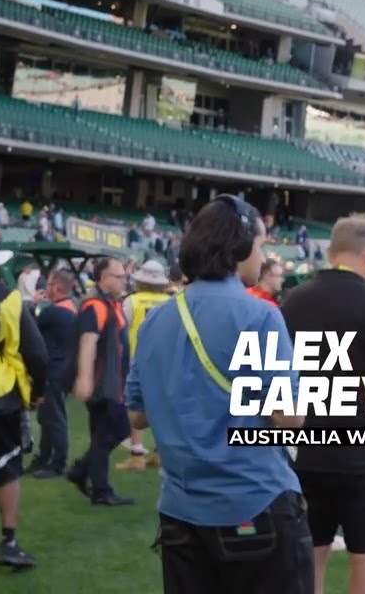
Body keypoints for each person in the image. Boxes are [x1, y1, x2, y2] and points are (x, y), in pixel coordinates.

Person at [125, 194, 312, 594]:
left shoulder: (156, 319)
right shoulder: (260, 315)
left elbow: (137, 416)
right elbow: (290, 419)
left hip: (181, 514)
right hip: (254, 505)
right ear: (239, 246)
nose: (263, 259)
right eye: (261, 246)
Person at [281, 214, 365, 594]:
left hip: (308, 449)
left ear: (331, 252)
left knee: (311, 553)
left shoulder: (292, 303)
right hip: (363, 457)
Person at [0, 238, 45, 574]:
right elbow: (37, 354)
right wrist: (37, 391)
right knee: (8, 472)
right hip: (3, 399)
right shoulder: (12, 299)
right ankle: (9, 543)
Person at [69, 257, 133, 507]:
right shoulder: (95, 306)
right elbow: (88, 341)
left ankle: (86, 474)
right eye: (118, 276)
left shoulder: (112, 305)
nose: (124, 279)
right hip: (103, 385)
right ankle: (99, 487)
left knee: (107, 433)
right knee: (111, 432)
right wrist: (84, 379)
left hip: (113, 383)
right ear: (104, 279)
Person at [114, 260, 172, 473]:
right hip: (165, 362)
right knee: (161, 407)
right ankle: (158, 452)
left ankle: (137, 453)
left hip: (137, 359)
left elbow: (121, 329)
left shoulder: (131, 301)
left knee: (136, 408)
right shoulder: (170, 301)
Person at [27, 269, 78, 480]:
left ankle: (58, 463)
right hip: (63, 372)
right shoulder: (72, 309)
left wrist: (32, 305)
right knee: (48, 417)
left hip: (53, 372)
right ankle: (44, 457)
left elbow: (29, 330)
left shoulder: (53, 313)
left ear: (56, 288)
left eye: (48, 284)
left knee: (53, 419)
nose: (45, 288)